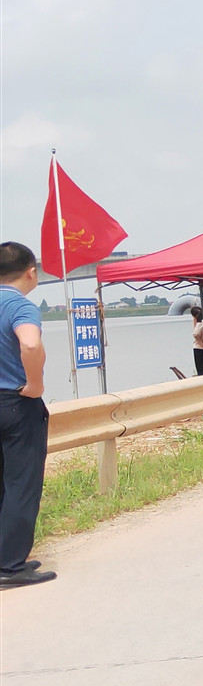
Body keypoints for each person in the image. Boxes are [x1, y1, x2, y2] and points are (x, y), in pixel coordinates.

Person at [0, 243, 53, 589]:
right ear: (31, 272)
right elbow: (30, 344)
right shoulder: (19, 305)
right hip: (14, 403)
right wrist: (35, 384)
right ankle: (10, 564)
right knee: (21, 481)